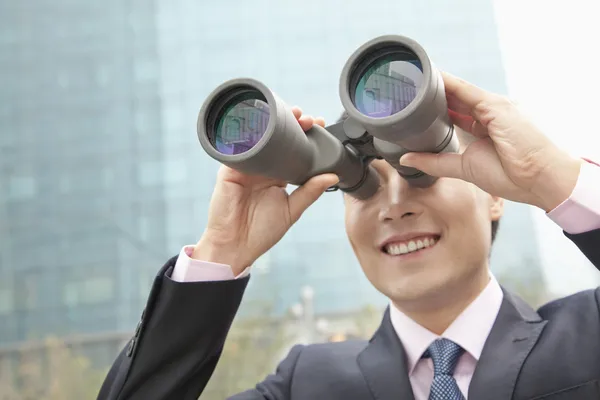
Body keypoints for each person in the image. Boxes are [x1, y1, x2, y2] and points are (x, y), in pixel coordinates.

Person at [97, 72, 600, 400]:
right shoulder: (307, 383)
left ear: (495, 196)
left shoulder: (587, 332)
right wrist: (221, 253)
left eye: (422, 171)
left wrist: (553, 176)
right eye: (362, 187)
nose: (395, 204)